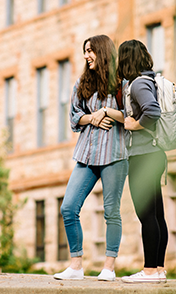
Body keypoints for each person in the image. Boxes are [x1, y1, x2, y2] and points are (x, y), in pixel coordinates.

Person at [54, 35, 128, 282]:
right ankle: (76, 265)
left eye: (90, 50)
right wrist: (93, 117)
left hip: (115, 155)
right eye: (85, 51)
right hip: (86, 154)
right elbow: (75, 116)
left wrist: (107, 112)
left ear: (103, 51)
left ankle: (109, 266)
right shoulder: (82, 83)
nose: (86, 56)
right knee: (68, 207)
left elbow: (129, 116)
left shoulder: (121, 83)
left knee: (111, 212)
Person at [117, 40, 168, 283]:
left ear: (125, 60)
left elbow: (153, 111)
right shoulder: (150, 80)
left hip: (144, 156)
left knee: (146, 214)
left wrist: (134, 124)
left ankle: (149, 270)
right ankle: (158, 269)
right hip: (154, 154)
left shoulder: (138, 84)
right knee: (157, 215)